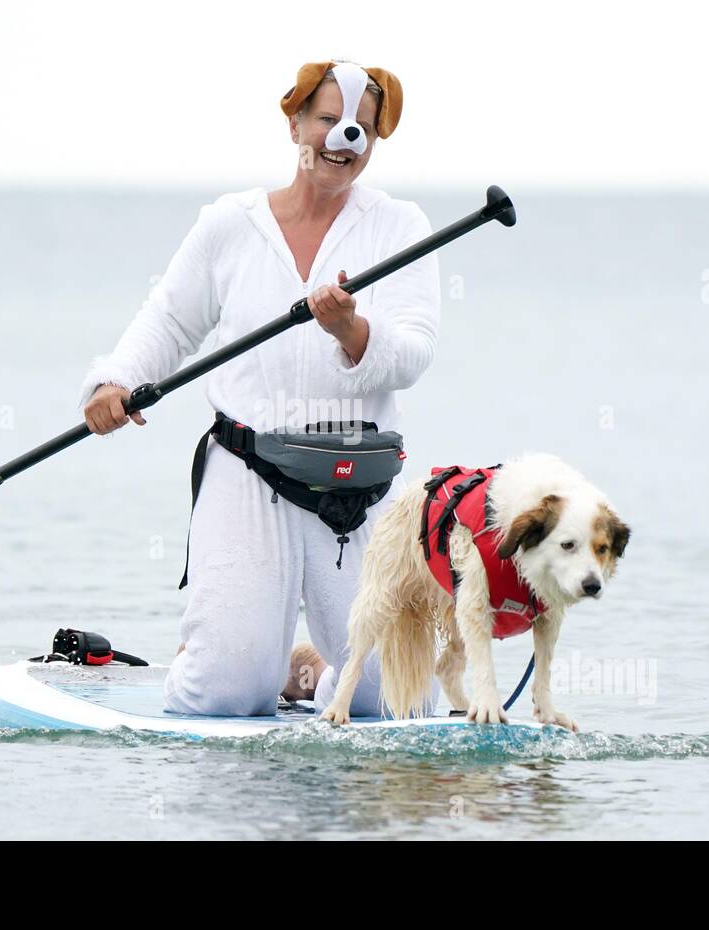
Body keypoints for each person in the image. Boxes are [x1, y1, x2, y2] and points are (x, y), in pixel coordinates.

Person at [80, 60, 440, 717]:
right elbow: (168, 321)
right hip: (249, 471)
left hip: (358, 483)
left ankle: (314, 673)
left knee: (398, 703)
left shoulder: (403, 226)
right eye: (329, 120)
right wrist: (116, 380)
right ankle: (225, 656)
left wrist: (351, 329)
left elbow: (413, 352)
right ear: (296, 121)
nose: (343, 138)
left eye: (360, 128)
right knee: (226, 695)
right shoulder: (229, 224)